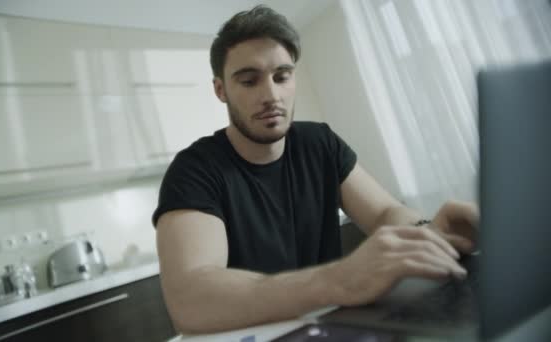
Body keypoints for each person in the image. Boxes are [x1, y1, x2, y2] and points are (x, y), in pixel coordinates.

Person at [152, 5, 479, 334]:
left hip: (330, 326)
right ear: (220, 90)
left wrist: (428, 234)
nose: (271, 95)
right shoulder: (194, 170)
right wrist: (341, 280)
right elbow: (192, 299)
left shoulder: (319, 142)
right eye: (249, 81)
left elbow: (384, 213)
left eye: (282, 76)